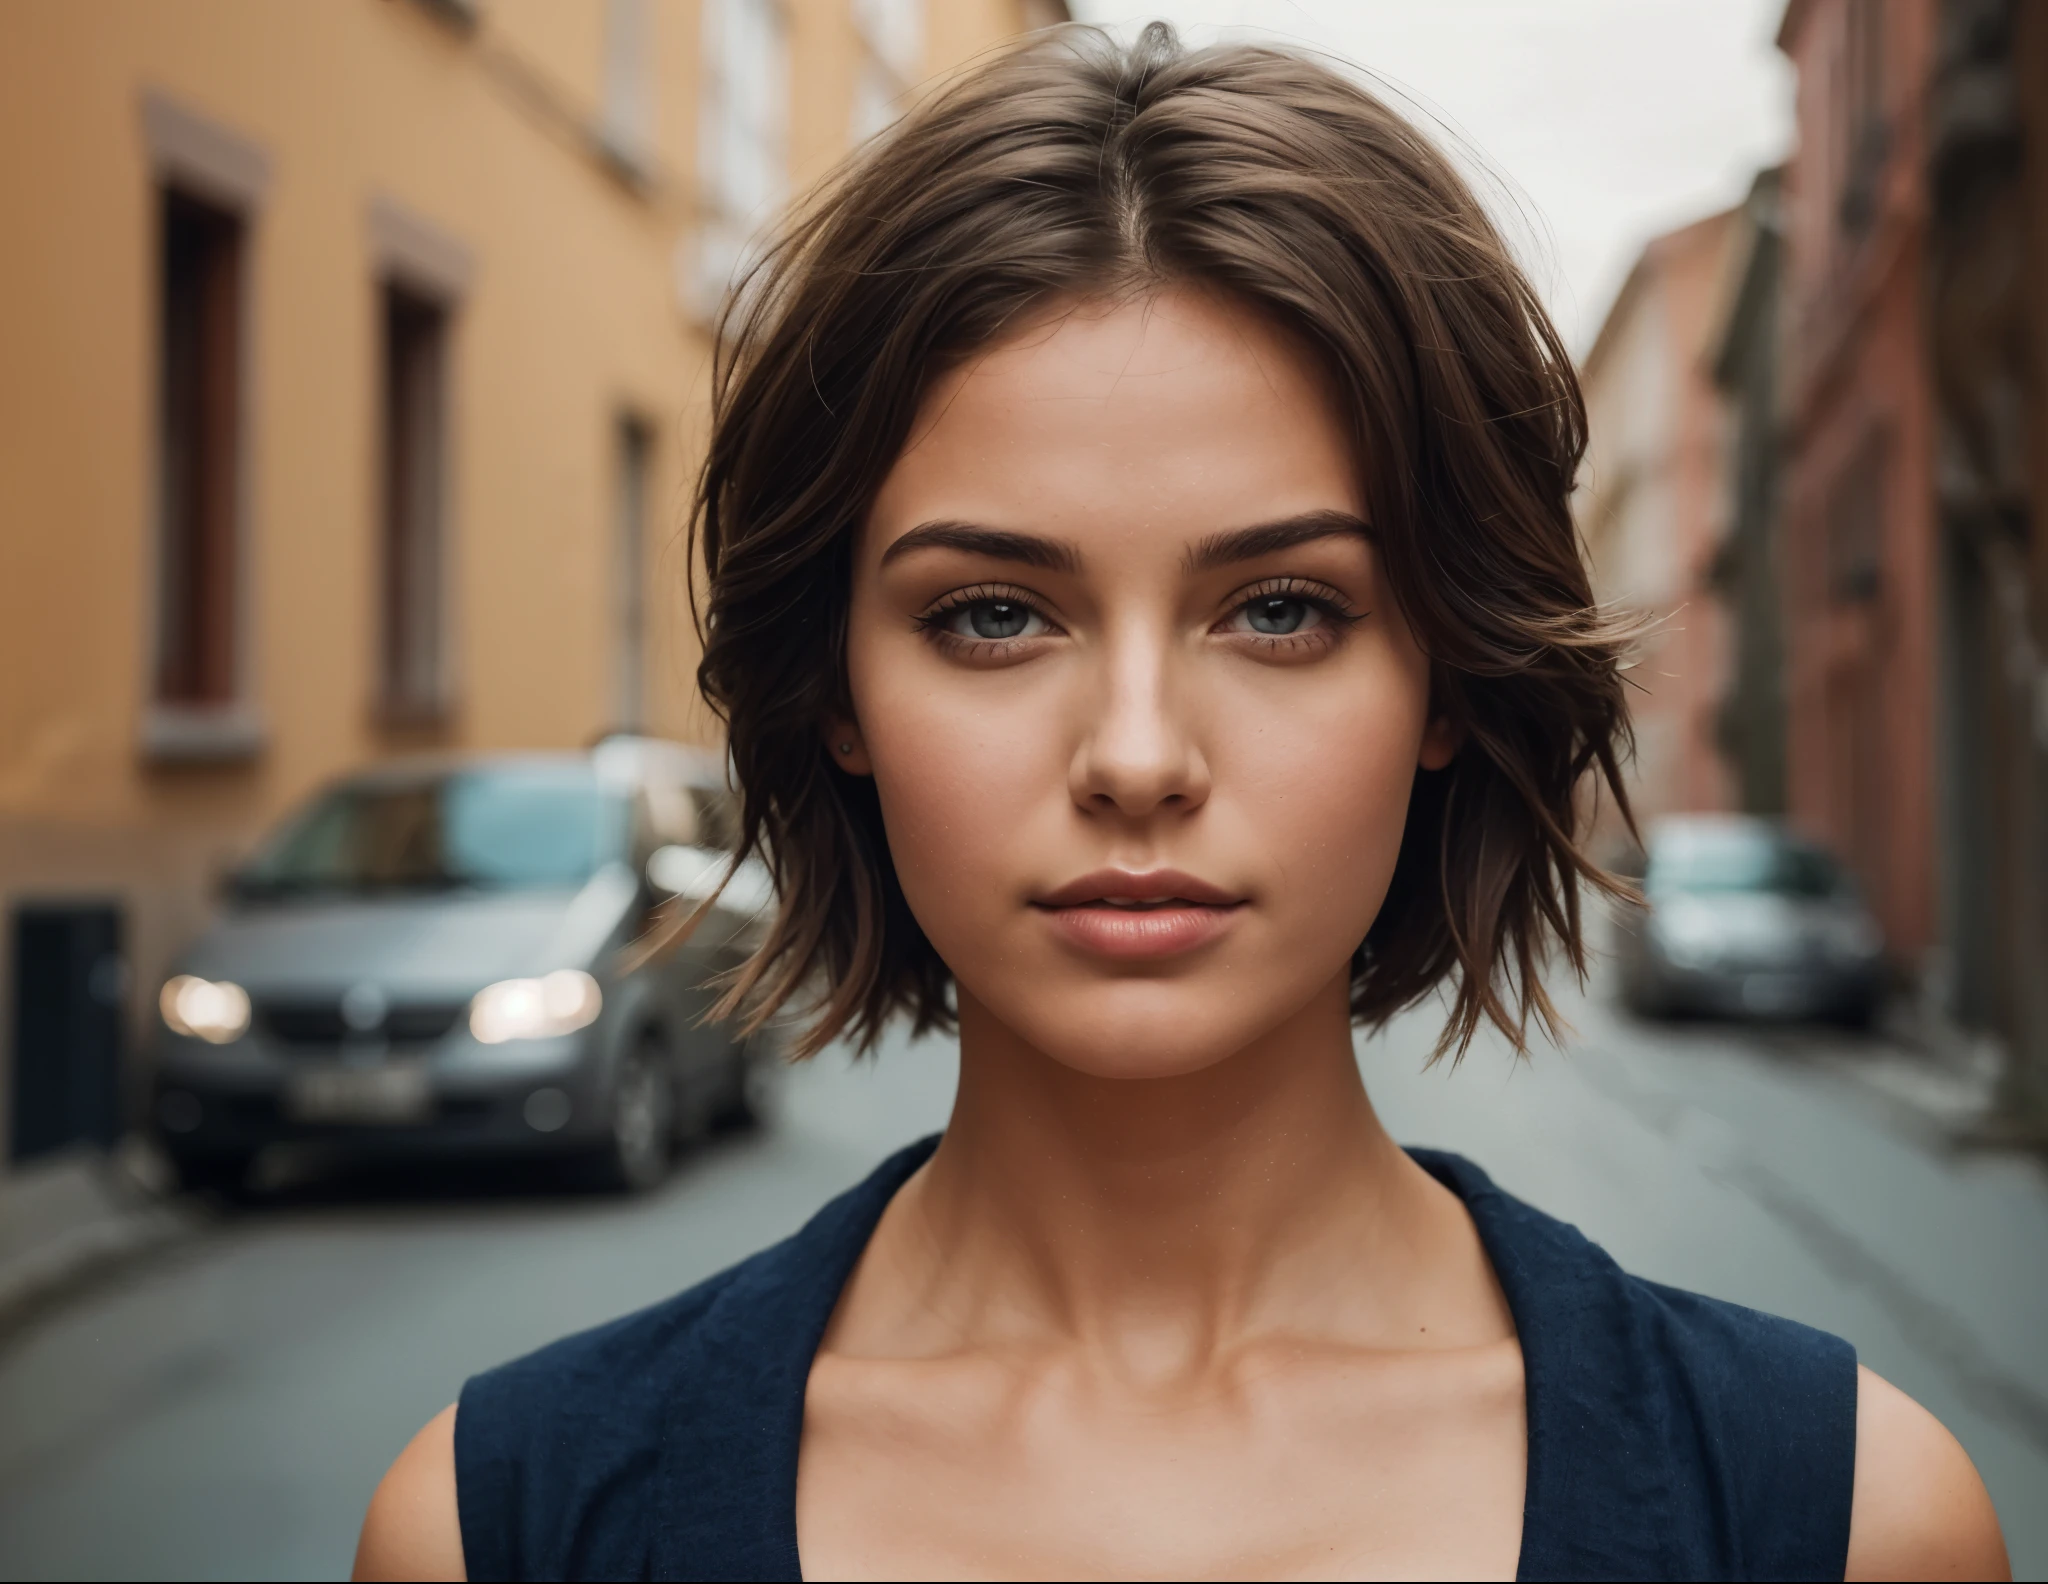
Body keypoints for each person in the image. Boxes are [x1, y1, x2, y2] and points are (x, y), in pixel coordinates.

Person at [355, 24, 2009, 1582]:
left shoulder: (1841, 1521)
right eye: (992, 613)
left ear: (1444, 679)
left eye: (1281, 608)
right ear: (838, 694)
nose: (1137, 756)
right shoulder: (503, 1527)